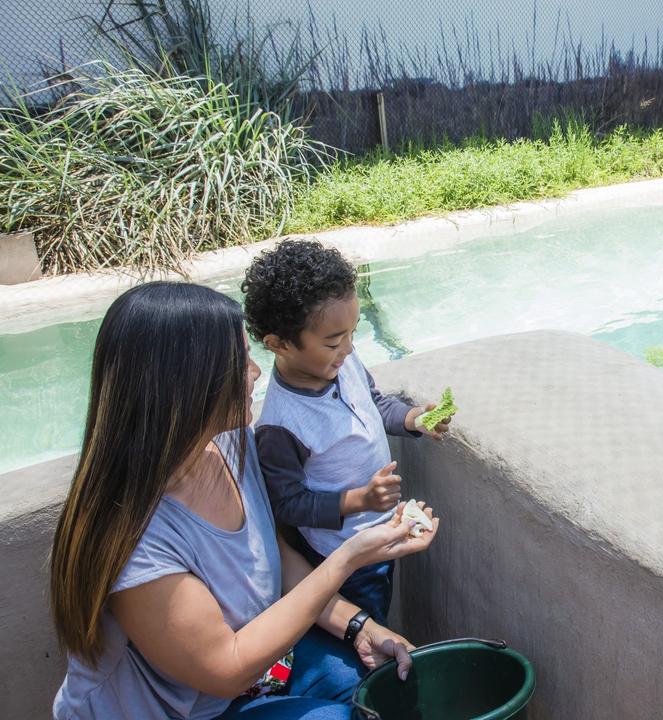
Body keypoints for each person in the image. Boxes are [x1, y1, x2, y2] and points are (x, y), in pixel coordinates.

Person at [49, 282, 438, 720]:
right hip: (201, 706)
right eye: (241, 361)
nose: (256, 372)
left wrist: (361, 627)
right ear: (189, 383)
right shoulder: (134, 538)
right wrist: (348, 558)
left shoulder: (233, 445)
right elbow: (226, 669)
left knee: (380, 688)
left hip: (256, 676)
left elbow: (273, 556)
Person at [242, 240, 452, 626]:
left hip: (382, 530)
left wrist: (412, 419)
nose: (349, 349)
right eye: (334, 342)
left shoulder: (344, 362)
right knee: (368, 625)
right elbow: (287, 504)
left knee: (382, 607)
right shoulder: (280, 425)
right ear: (279, 344)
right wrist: (359, 500)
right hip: (343, 554)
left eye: (352, 334)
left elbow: (372, 403)